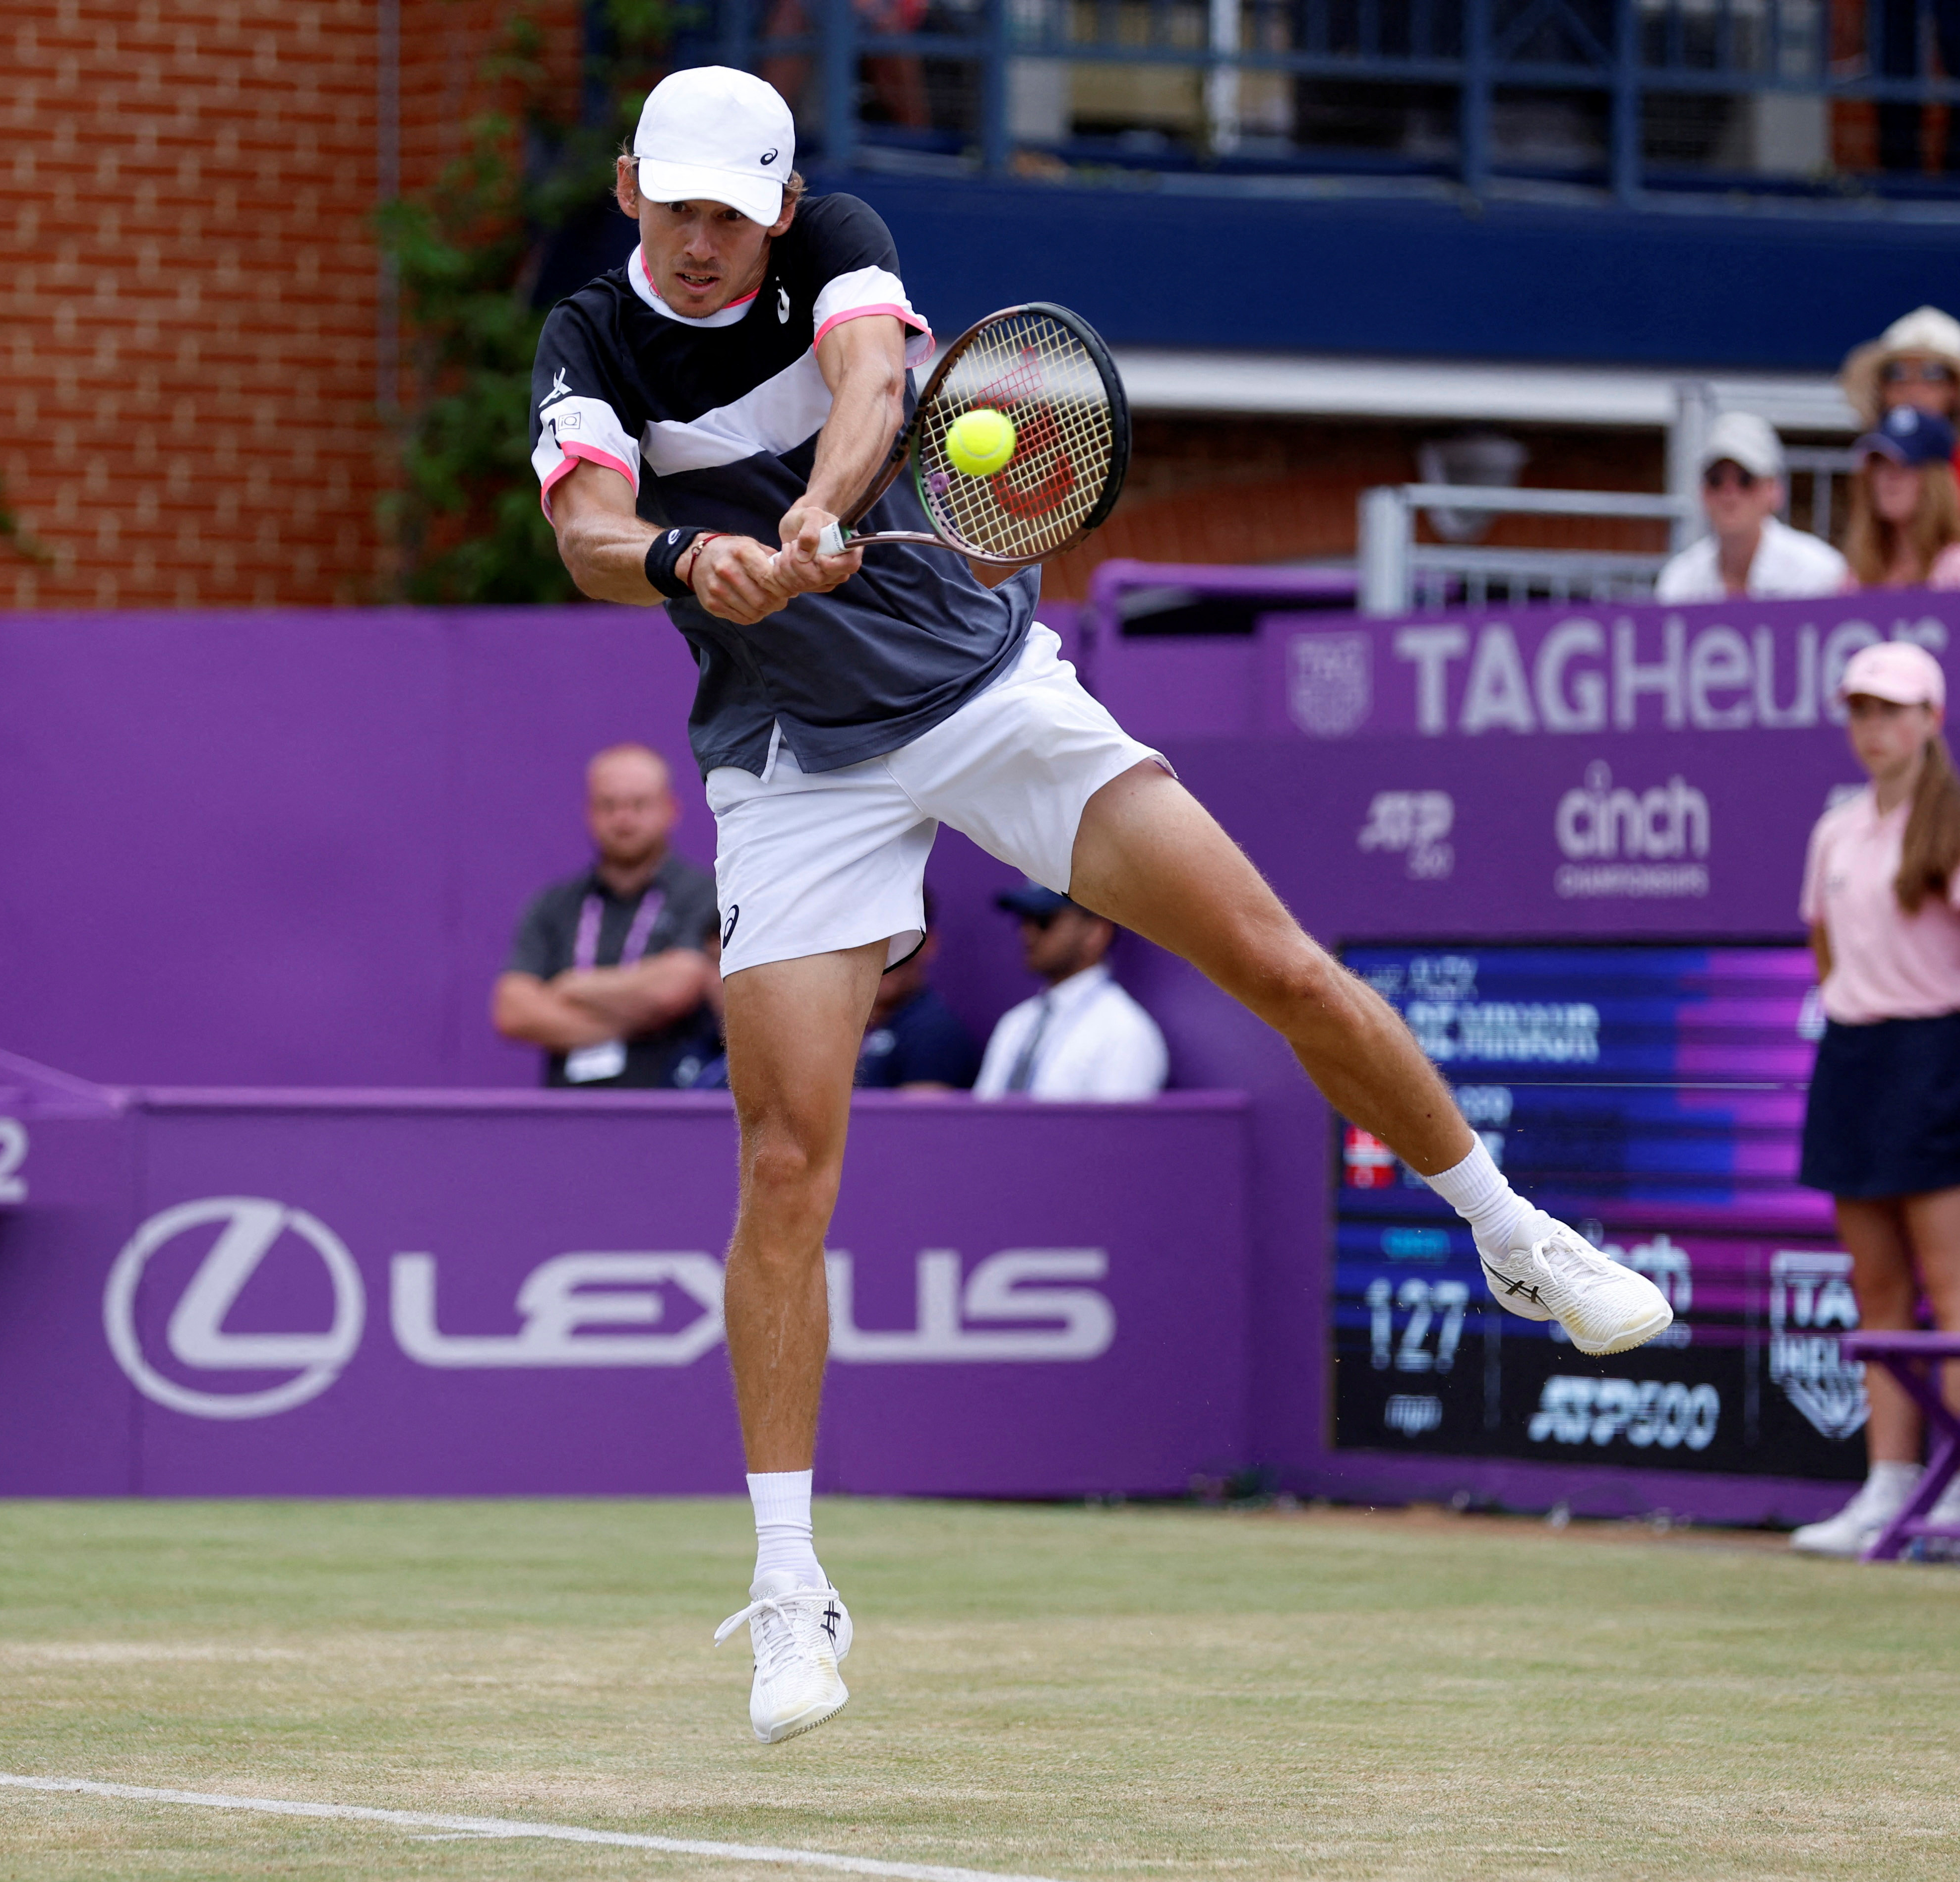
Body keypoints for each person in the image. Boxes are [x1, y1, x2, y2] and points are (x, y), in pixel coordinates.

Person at [535, 64, 1675, 1744]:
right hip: (792, 764)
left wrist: (818, 511)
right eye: (676, 206)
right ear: (631, 188)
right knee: (781, 1160)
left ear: (774, 210)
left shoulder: (835, 244)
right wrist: (677, 563)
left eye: (730, 213)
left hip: (986, 696)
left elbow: (866, 382)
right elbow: (583, 523)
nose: (701, 241)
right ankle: (792, 1589)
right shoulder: (589, 337)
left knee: (1278, 963)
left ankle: (1513, 1240)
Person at [1790, 642, 1960, 1561]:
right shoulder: (1833, 833)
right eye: (1859, 711)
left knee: (1954, 1284)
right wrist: (1875, 1016)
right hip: (1854, 1061)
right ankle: (1887, 1491)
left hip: (1932, 1060)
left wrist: (1942, 1028)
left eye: (1891, 711)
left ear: (1930, 721)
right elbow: (1827, 961)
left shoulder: (1957, 825)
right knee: (1878, 1287)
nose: (1873, 728)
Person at [493, 743, 721, 1089]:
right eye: (609, 805)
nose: (623, 819)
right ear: (589, 812)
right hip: (568, 1117)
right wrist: (641, 1018)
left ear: (670, 809)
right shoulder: (553, 905)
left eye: (638, 804)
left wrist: (571, 986)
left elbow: (676, 988)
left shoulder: (705, 895)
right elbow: (513, 1010)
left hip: (670, 1113)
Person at [973, 886, 1167, 1101]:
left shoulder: (1125, 1032)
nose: (1027, 933)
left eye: (1044, 921)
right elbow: (983, 1118)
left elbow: (1116, 1132)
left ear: (1096, 931)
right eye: (1024, 920)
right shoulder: (1015, 1023)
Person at [1840, 307, 1960, 536]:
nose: (1913, 388)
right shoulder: (1871, 460)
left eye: (1933, 373)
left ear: (1956, 390)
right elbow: (1868, 547)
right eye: (1896, 373)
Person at [1654, 411, 1848, 603]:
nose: (1729, 494)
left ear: (1774, 490)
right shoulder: (1679, 580)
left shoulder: (1820, 573)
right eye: (1715, 480)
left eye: (1745, 480)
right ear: (1702, 492)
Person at [1839, 407, 1960, 593]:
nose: (1890, 477)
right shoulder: (1862, 568)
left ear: (1936, 481)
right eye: (1880, 464)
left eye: (1906, 464)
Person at [855, 889, 978, 1090]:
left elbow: (920, 1121)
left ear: (929, 944)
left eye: (899, 940)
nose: (886, 956)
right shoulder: (840, 1026)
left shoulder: (935, 1034)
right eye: (869, 939)